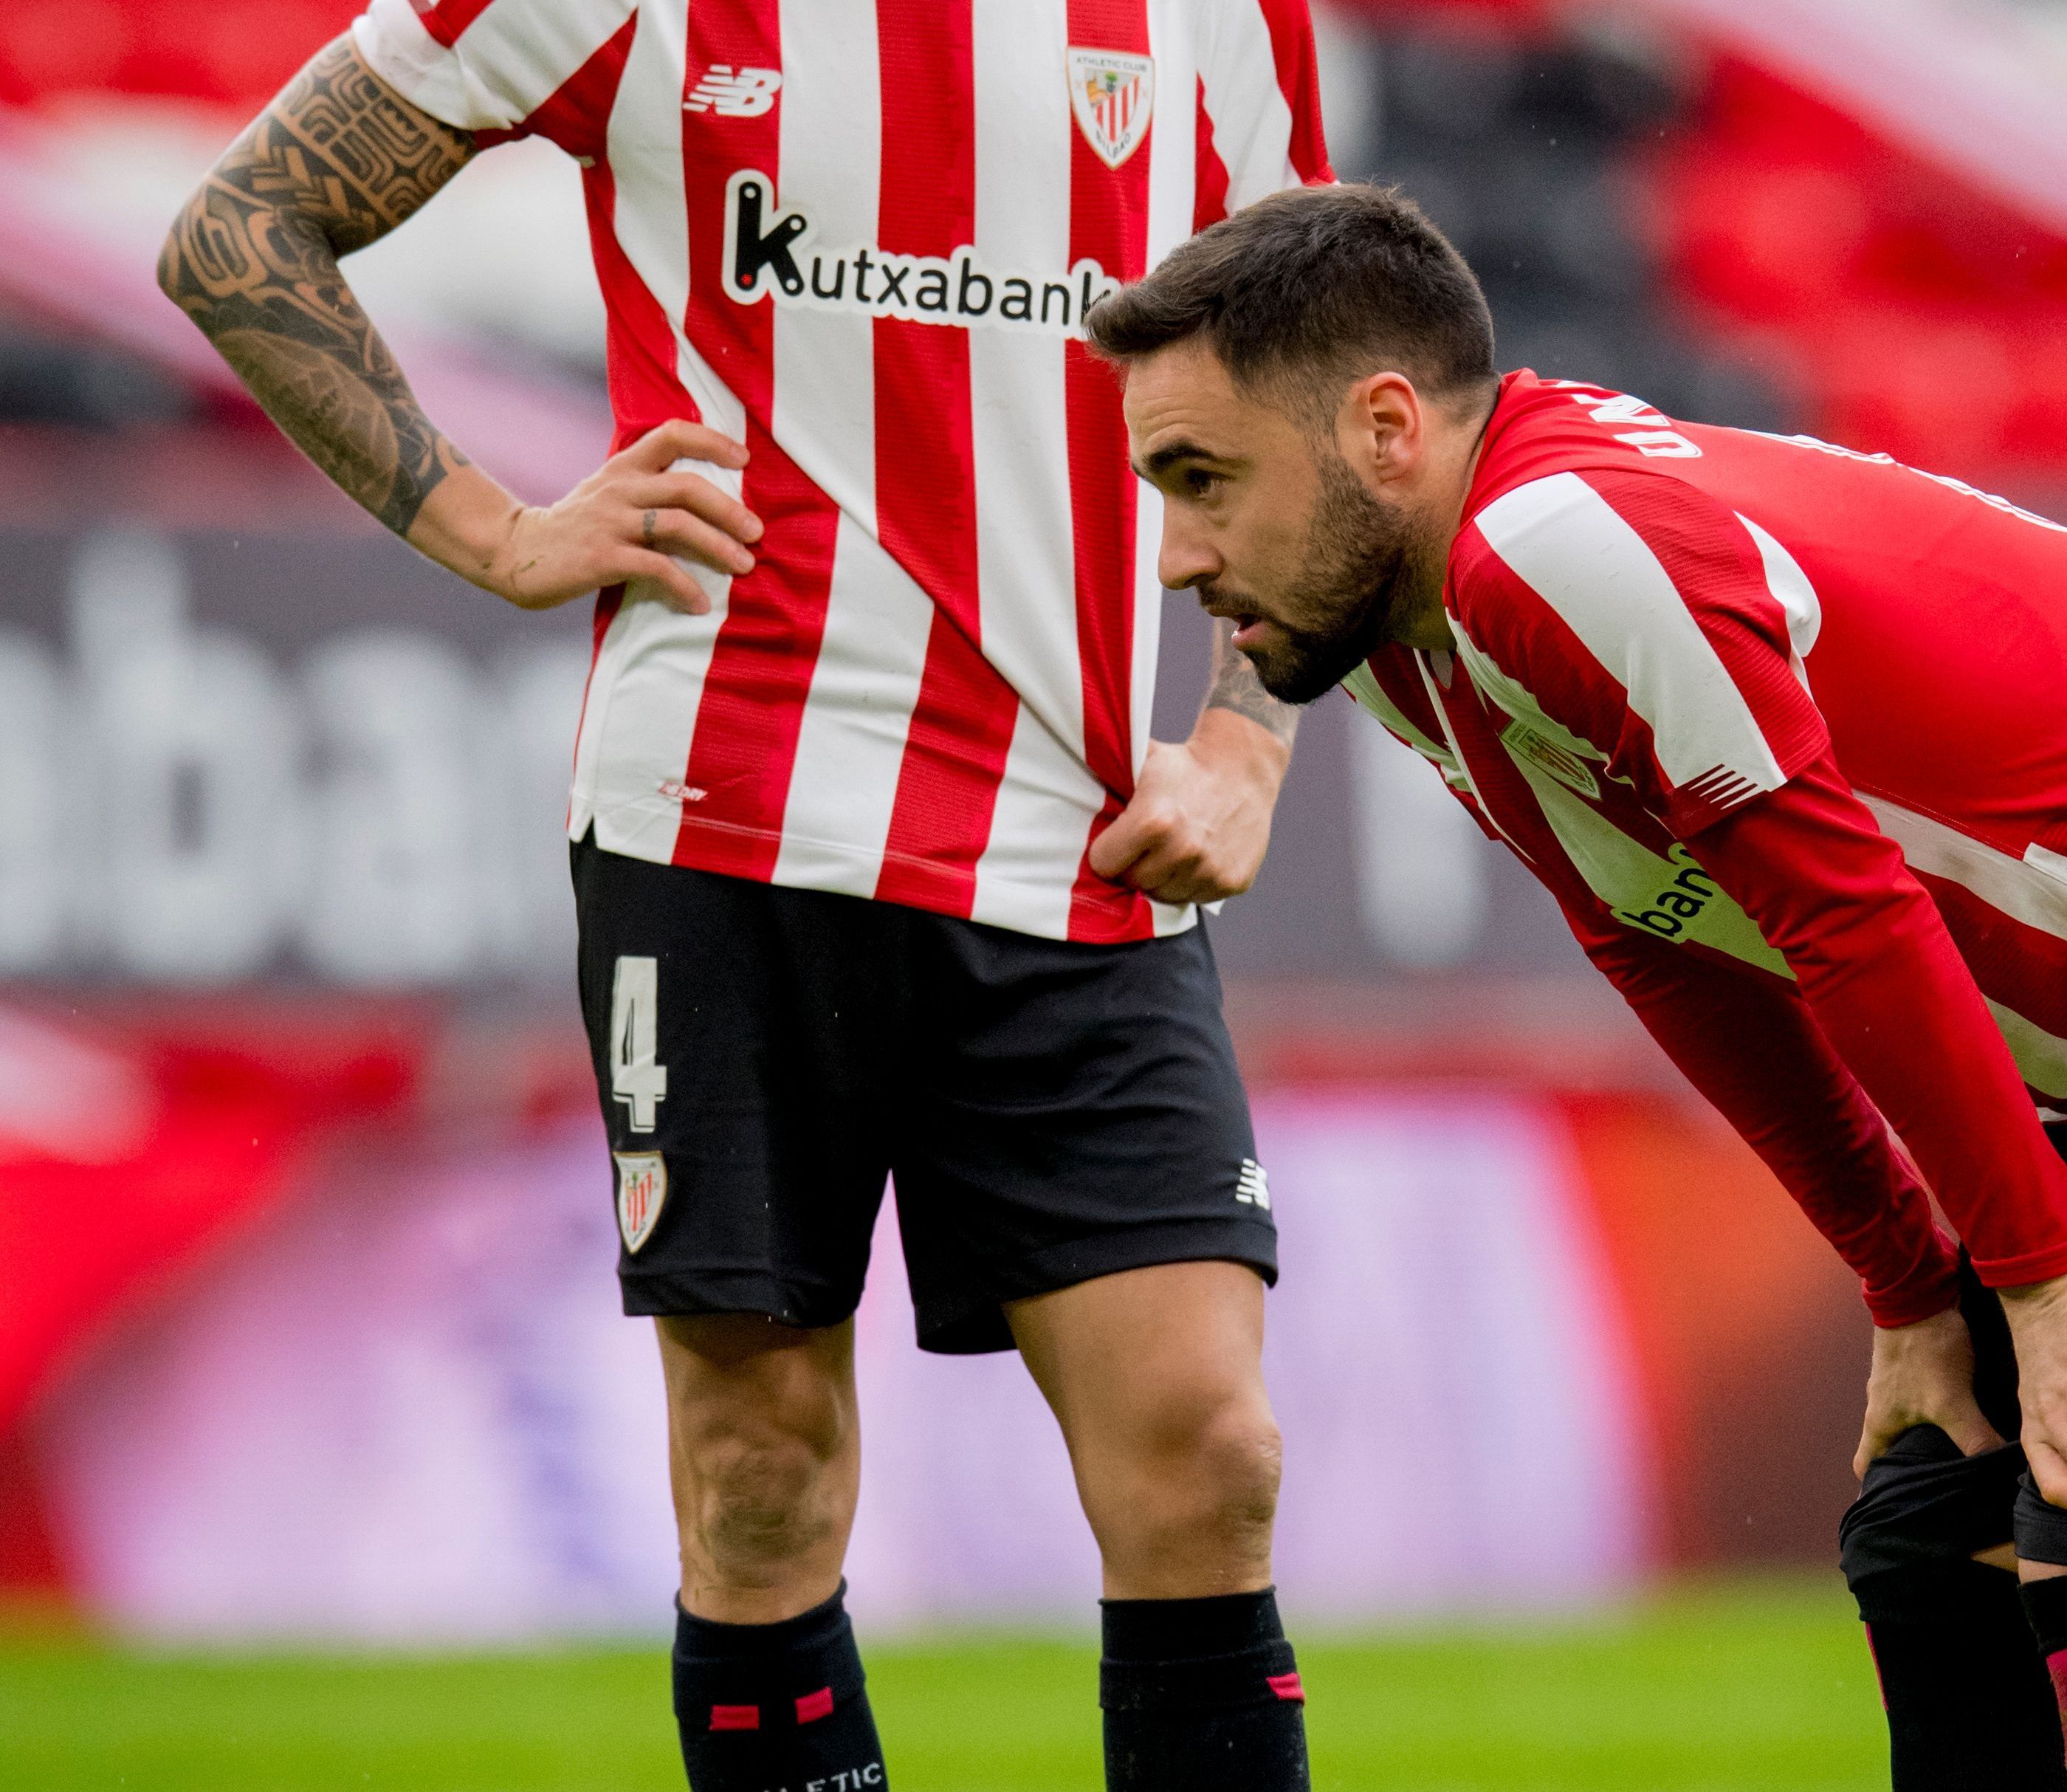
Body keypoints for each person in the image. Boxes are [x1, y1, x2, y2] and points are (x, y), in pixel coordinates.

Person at [1086, 183, 2067, 1792]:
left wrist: (2044, 1289)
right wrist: (1915, 1284)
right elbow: (1665, 944)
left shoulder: (1553, 550)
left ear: (1383, 429)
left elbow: (1847, 922)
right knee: (1932, 1525)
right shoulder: (1415, 623)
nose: (1178, 556)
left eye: (1202, 481)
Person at [158, 5, 1329, 1788]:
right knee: (760, 1477)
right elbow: (238, 229)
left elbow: (1309, 372)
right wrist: (497, 531)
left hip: (1080, 840)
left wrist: (1249, 742)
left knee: (1209, 1447)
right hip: (727, 822)